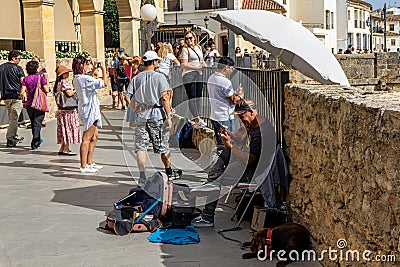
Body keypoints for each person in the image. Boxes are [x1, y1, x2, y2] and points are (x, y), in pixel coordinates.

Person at [192, 100, 275, 227]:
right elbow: (243, 139)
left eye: (242, 117)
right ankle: (211, 183)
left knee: (217, 178)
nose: (241, 120)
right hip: (244, 163)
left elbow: (250, 159)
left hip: (252, 171)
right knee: (219, 150)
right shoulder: (254, 122)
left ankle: (208, 217)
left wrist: (230, 146)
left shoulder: (262, 132)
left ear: (252, 112)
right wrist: (230, 136)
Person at [129, 50, 181, 184]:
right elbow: (164, 98)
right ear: (153, 62)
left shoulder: (137, 78)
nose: (157, 63)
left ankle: (142, 176)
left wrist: (134, 109)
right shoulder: (159, 77)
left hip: (141, 116)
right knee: (163, 145)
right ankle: (169, 171)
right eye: (157, 61)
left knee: (141, 147)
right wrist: (169, 117)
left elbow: (127, 96)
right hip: (157, 116)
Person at [72, 56, 107, 173]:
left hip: (87, 109)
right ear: (81, 65)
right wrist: (103, 69)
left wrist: (92, 71)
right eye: (86, 63)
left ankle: (89, 162)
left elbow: (88, 79)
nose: (88, 65)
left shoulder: (78, 78)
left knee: (94, 136)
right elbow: (104, 83)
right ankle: (83, 165)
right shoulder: (84, 79)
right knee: (87, 138)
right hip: (90, 110)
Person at [207, 57, 243, 146]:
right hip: (225, 117)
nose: (231, 71)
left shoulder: (211, 78)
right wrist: (240, 96)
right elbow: (233, 100)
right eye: (231, 68)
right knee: (228, 144)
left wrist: (235, 94)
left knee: (220, 143)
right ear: (226, 67)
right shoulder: (225, 81)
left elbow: (223, 95)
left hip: (215, 116)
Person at [20, 60, 49, 150]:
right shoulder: (40, 78)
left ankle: (38, 139)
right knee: (37, 123)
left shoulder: (26, 79)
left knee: (33, 122)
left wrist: (23, 100)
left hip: (29, 103)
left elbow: (22, 92)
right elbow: (46, 90)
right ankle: (35, 142)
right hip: (39, 103)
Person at [181, 30, 207, 127]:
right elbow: (184, 64)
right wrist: (197, 68)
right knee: (192, 97)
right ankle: (196, 118)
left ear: (194, 38)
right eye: (186, 38)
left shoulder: (198, 47)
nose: (188, 40)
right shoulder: (185, 49)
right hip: (189, 74)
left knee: (198, 96)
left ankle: (198, 117)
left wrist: (204, 65)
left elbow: (202, 60)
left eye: (190, 38)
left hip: (199, 74)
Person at [53, 65, 81, 155]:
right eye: (66, 73)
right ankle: (66, 148)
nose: (68, 74)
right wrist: (76, 90)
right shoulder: (64, 82)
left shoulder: (58, 83)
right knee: (68, 128)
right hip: (68, 111)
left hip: (62, 110)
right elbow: (69, 93)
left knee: (64, 128)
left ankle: (63, 147)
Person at [0, 50, 25, 147]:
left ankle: (15, 135)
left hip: (6, 96)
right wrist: (23, 93)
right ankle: (10, 139)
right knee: (14, 118)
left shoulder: (1, 68)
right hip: (16, 95)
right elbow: (23, 82)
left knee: (12, 117)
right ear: (13, 58)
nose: (19, 60)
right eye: (19, 58)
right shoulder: (18, 68)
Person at [124, 56, 141, 127]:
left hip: (131, 89)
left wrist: (129, 59)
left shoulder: (128, 69)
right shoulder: (140, 71)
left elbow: (123, 61)